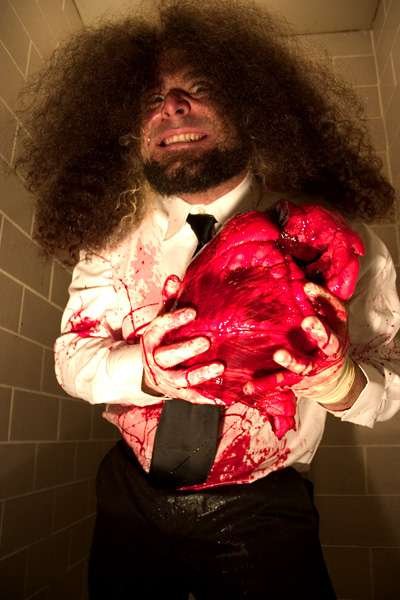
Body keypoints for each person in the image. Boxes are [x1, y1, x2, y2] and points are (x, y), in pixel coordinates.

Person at [15, 1, 400, 598]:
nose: (171, 105)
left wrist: (338, 382)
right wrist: (144, 372)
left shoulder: (340, 246)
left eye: (200, 88)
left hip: (264, 511)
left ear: (253, 107)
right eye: (151, 97)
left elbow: (391, 385)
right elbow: (72, 360)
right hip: (127, 499)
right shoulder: (112, 240)